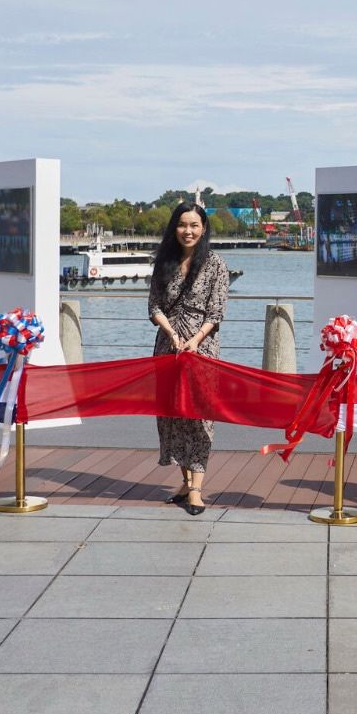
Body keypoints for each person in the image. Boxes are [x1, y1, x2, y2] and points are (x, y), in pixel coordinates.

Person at [148, 202, 229, 516]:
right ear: (174, 227)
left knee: (198, 416)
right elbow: (154, 306)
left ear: (204, 228)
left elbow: (216, 312)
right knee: (170, 415)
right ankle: (184, 481)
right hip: (167, 347)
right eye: (183, 225)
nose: (188, 231)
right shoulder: (164, 261)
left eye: (194, 225)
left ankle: (197, 488)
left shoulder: (215, 264)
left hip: (202, 348)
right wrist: (170, 333)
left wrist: (194, 340)